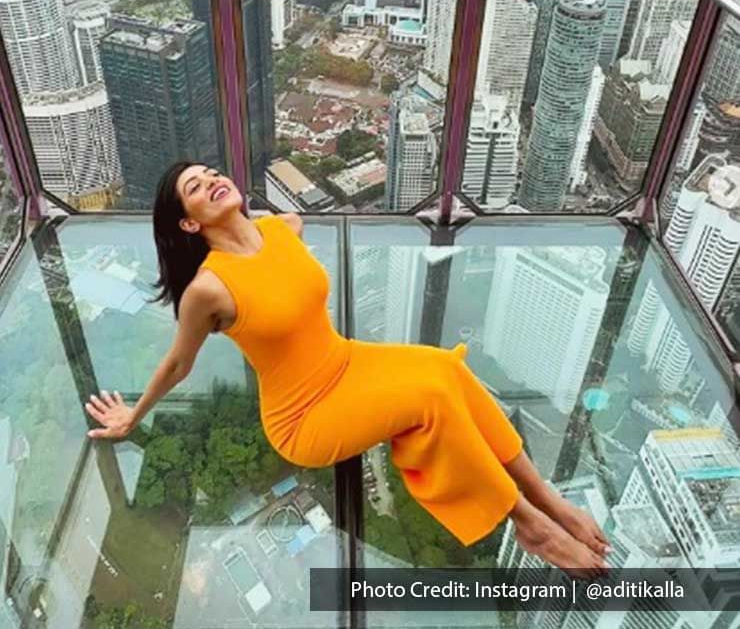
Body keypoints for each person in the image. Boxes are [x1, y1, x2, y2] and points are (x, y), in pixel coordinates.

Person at [85, 161, 612, 576]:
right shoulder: (208, 289)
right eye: (196, 187)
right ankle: (527, 525)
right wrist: (133, 417)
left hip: (347, 360)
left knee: (445, 370)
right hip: (304, 416)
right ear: (189, 221)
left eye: (213, 173)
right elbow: (179, 362)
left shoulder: (280, 228)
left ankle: (547, 499)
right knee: (431, 396)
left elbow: (292, 237)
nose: (213, 181)